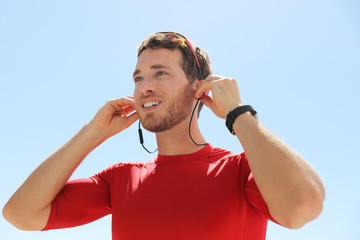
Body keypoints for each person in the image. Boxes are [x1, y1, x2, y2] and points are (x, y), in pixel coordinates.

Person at [3, 32, 325, 240]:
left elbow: (302, 207)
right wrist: (92, 133)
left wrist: (238, 114)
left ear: (199, 87)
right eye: (139, 77)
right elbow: (20, 214)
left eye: (161, 73)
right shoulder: (120, 181)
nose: (144, 87)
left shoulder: (241, 171)